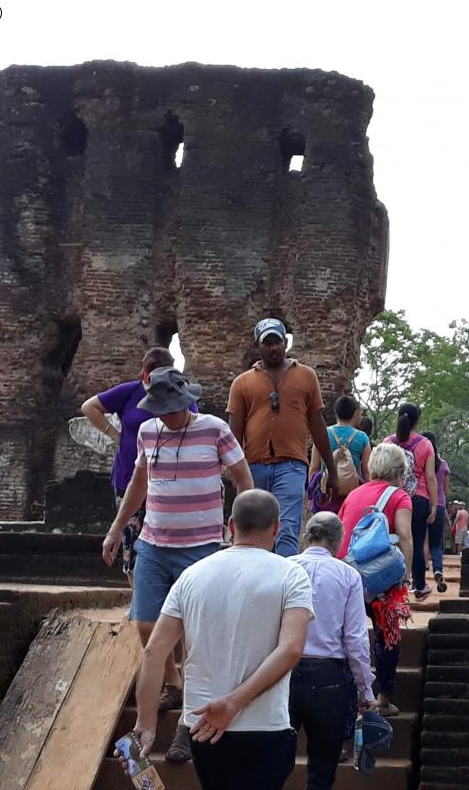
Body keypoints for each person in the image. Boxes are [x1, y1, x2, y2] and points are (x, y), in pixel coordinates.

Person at [102, 367, 254, 764]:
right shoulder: (148, 431)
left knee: (196, 634)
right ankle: (174, 682)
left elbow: (243, 478)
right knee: (146, 624)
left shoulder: (214, 430)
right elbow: (138, 483)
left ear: (186, 403)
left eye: (172, 410)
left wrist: (244, 529)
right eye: (161, 410)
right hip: (154, 541)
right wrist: (117, 528)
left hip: (200, 546)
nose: (166, 417)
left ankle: (189, 721)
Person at [129, 489, 312, 790]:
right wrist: (233, 703)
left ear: (231, 526)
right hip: (264, 726)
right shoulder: (291, 575)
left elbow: (154, 652)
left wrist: (146, 723)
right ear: (277, 527)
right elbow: (291, 649)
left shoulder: (191, 576)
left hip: (203, 727)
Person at [81, 347, 196, 583]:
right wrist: (114, 434)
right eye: (149, 374)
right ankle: (137, 597)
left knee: (166, 545)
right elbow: (89, 407)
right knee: (131, 544)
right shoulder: (131, 391)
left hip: (167, 482)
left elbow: (195, 423)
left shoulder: (180, 395)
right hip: (128, 477)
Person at [227, 318, 338, 557]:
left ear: (286, 343)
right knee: (253, 528)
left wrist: (331, 470)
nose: (273, 348)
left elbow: (317, 425)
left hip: (292, 464)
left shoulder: (306, 376)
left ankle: (284, 576)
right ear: (257, 346)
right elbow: (233, 436)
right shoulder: (242, 383)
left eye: (277, 341)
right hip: (254, 465)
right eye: (267, 343)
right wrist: (235, 472)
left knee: (287, 529)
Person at [289, 513, 377, 790]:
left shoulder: (284, 568)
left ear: (306, 536)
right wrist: (365, 690)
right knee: (323, 769)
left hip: (282, 671)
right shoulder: (348, 575)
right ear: (339, 541)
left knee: (272, 764)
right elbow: (355, 639)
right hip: (328, 676)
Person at [338, 443, 414, 716]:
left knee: (346, 635)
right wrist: (406, 576)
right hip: (382, 581)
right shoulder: (399, 496)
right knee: (387, 636)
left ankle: (352, 697)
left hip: (347, 574)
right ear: (400, 471)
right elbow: (404, 536)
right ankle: (382, 699)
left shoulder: (354, 494)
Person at [384, 403, 439, 600]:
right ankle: (419, 585)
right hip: (418, 498)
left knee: (391, 541)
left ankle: (390, 586)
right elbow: (430, 477)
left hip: (392, 496)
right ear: (418, 420)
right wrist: (434, 504)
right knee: (415, 541)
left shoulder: (388, 442)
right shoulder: (425, 444)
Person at [307, 395, 371, 515]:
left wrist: (312, 494)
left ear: (335, 412)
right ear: (354, 413)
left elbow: (314, 467)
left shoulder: (323, 433)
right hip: (352, 494)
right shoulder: (362, 437)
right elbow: (366, 470)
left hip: (327, 492)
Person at [421, 432, 450, 593]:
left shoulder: (422, 463)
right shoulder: (443, 465)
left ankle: (420, 576)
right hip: (439, 505)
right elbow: (445, 490)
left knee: (420, 541)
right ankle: (438, 569)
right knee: (436, 544)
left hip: (423, 502)